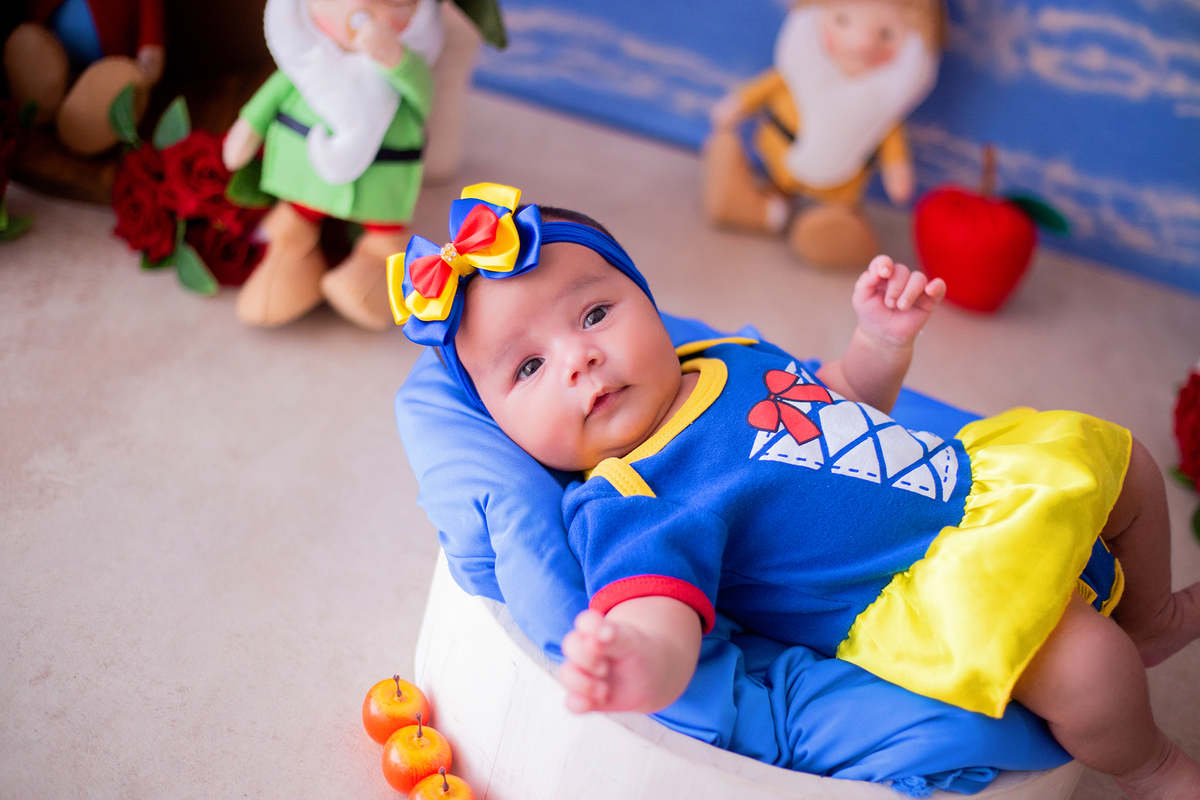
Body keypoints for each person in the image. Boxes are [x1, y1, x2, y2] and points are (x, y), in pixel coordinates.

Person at [390, 183, 1200, 800]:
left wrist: (877, 345)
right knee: (1092, 671)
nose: (579, 359)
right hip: (928, 586)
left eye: (596, 312)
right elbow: (659, 608)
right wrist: (636, 661)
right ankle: (1150, 761)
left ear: (646, 297)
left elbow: (839, 402)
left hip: (967, 485)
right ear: (504, 429)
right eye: (528, 369)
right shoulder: (629, 497)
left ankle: (1152, 617)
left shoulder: (722, 358)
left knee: (1118, 458)